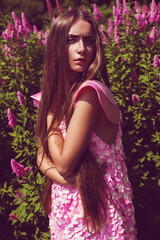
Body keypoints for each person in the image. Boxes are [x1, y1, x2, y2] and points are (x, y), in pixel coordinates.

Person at [34, 9, 137, 239]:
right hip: (69, 214)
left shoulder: (90, 94)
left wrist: (50, 111)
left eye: (89, 40)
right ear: (57, 45)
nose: (82, 48)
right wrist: (70, 182)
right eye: (72, 40)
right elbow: (41, 155)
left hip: (96, 218)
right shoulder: (65, 96)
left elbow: (62, 164)